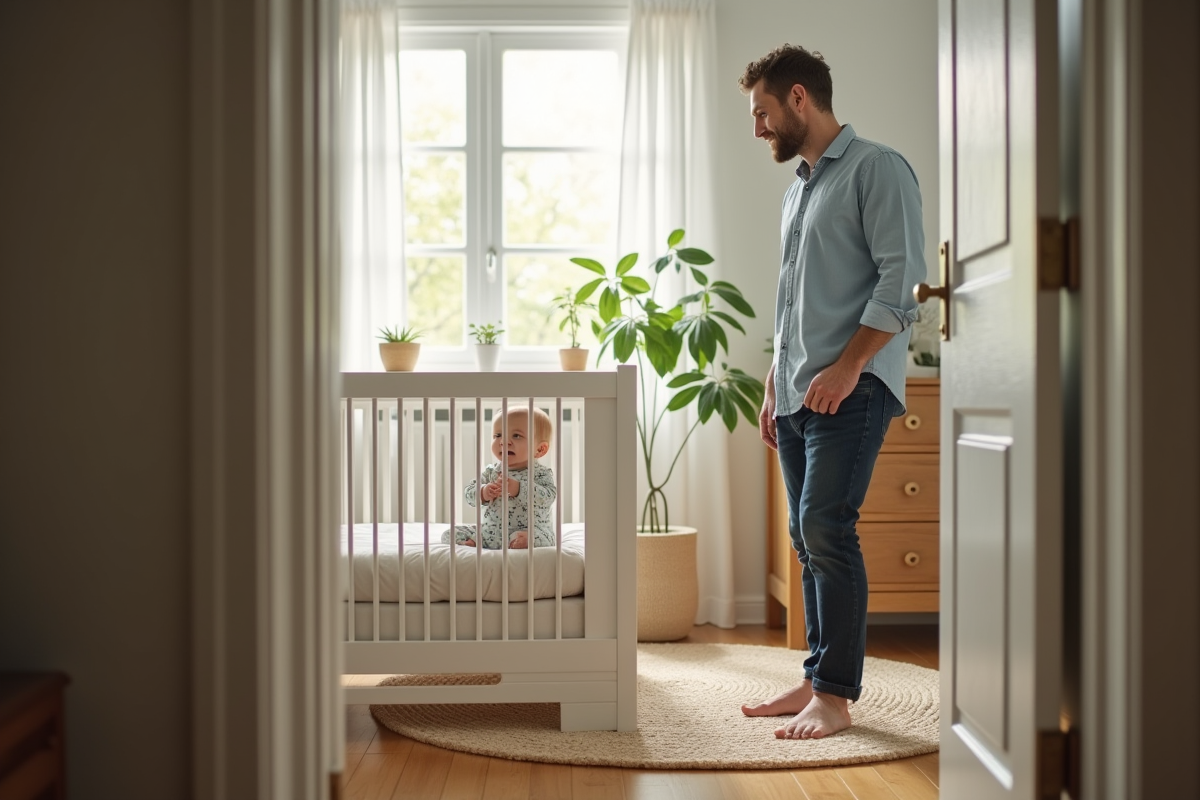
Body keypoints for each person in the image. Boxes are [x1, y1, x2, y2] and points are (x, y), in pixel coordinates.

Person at [736, 44, 925, 740]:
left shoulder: (878, 169)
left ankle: (836, 699)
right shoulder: (799, 188)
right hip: (794, 395)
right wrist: (771, 383)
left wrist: (847, 367)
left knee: (826, 527)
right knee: (805, 535)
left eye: (761, 113)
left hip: (854, 387)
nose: (757, 129)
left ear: (797, 99)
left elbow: (899, 282)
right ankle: (817, 678)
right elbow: (793, 301)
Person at [442, 406, 557, 549]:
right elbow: (469, 495)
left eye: (516, 435)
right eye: (498, 435)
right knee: (450, 533)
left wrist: (519, 489)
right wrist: (483, 492)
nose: (503, 441)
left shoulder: (540, 473)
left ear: (540, 449)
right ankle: (474, 541)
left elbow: (549, 497)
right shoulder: (491, 472)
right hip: (491, 532)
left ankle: (521, 541)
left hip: (527, 531)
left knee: (544, 537)